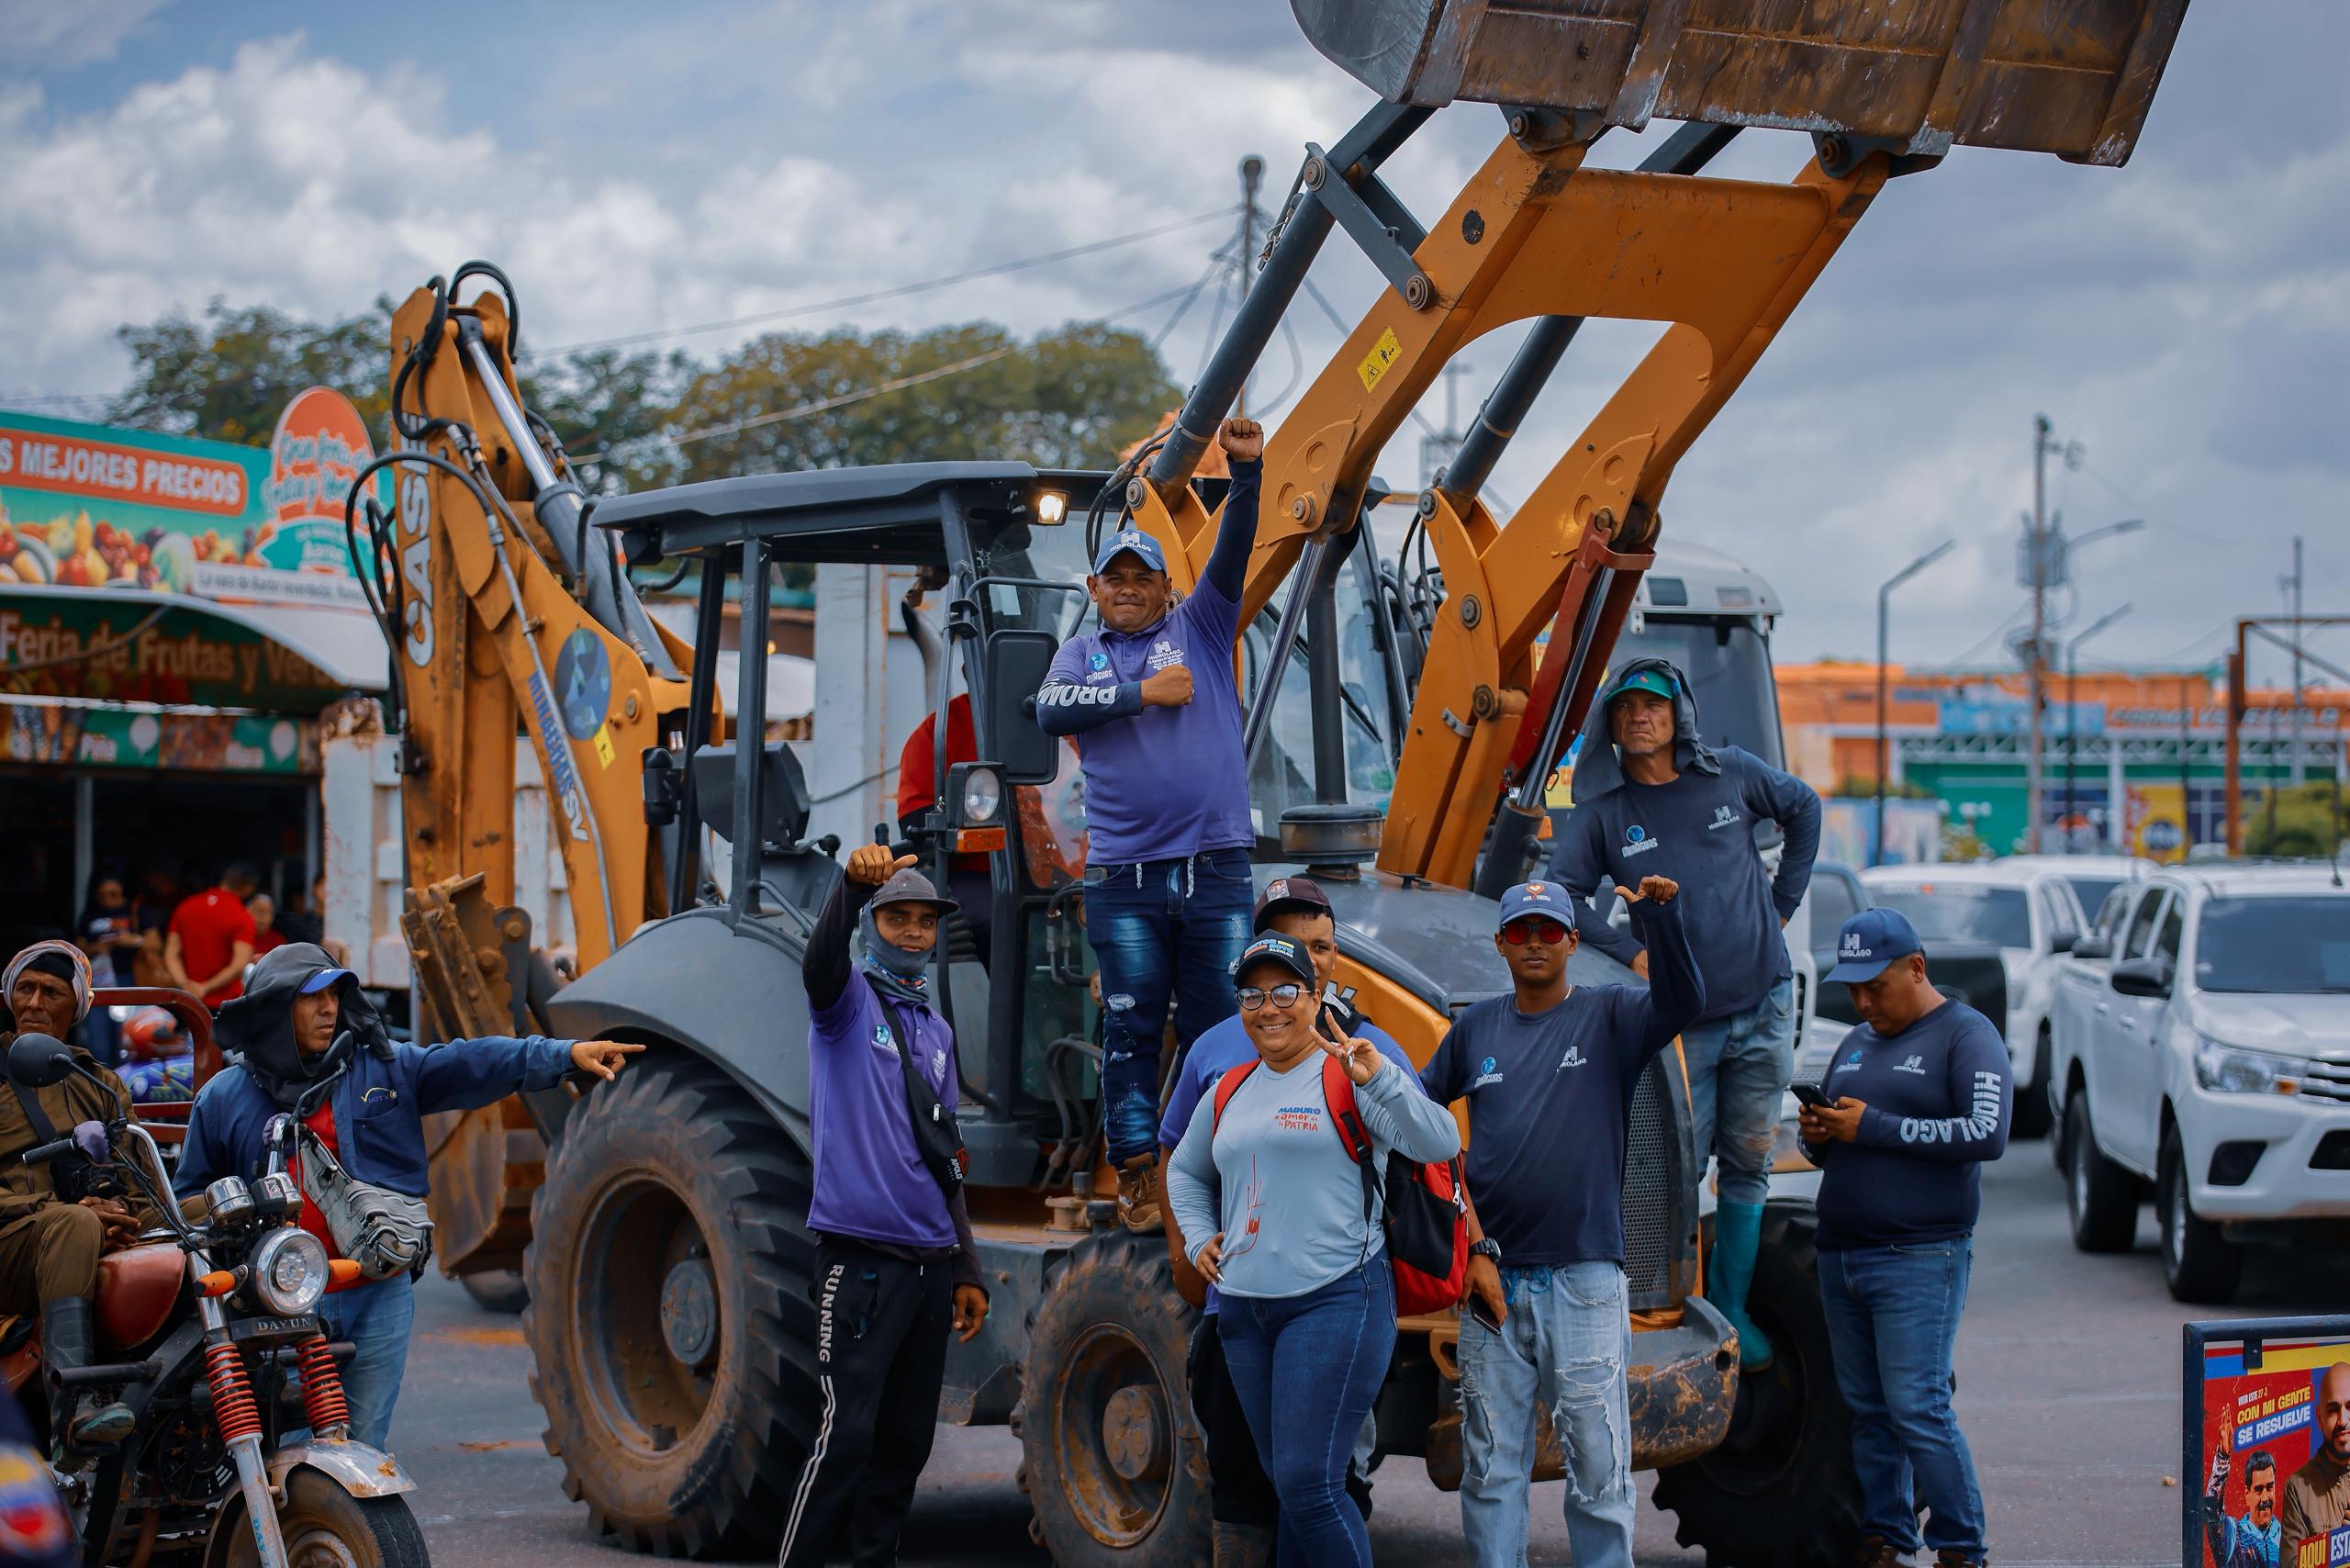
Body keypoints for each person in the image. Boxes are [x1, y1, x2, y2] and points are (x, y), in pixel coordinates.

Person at [174, 943, 640, 1449]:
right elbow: (189, 1204)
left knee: (364, 1446)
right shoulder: (222, 1098)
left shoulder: (382, 1068)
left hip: (379, 1292)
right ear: (273, 1008)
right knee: (290, 1455)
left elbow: (471, 1062)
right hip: (279, 1305)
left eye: (335, 995)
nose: (330, 1009)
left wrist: (565, 1054)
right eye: (312, 999)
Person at [1419, 877, 1703, 1568]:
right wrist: (1468, 1242)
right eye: (1522, 931)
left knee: (1600, 1468)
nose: (1536, 942)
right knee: (1490, 1469)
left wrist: (1660, 922)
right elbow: (1418, 1126)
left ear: (1574, 941)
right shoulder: (1475, 1029)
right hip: (1492, 1286)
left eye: (1550, 930)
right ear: (1501, 944)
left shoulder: (1611, 1017)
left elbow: (1685, 1001)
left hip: (1585, 1280)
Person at [1549, 657, 1820, 1369]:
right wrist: (1622, 951)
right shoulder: (1604, 816)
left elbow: (1805, 807)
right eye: (1627, 706)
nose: (1640, 716)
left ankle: (1728, 1309)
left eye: (1655, 705)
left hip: (1764, 1002)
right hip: (1680, 1028)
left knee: (1751, 1161)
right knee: (1676, 1170)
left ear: (1680, 716)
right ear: (1611, 722)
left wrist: (1782, 905)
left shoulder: (1729, 772)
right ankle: (1680, 1312)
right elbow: (1562, 895)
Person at [1035, 415, 1266, 1231]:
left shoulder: (1201, 628)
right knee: (1132, 1025)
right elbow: (1048, 712)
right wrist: (1142, 694)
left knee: (1223, 1025)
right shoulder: (1081, 657)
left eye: (1144, 576)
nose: (1130, 586)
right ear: (1095, 589)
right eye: (1115, 577)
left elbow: (1237, 549)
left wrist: (1246, 475)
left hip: (1215, 868)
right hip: (1125, 879)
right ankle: (1135, 1171)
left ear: (1169, 586)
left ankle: (1215, 1165)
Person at [1165, 935, 1461, 1568]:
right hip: (1245, 1315)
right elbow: (1184, 1172)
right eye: (1252, 994)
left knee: (1309, 1484)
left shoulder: (1351, 1073)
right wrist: (1196, 1238)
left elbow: (1440, 1142)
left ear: (1316, 996)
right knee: (1293, 1488)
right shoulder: (1230, 1088)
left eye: (1284, 992)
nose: (1268, 1008)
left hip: (1334, 1302)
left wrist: (1379, 1076)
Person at [778, 846, 990, 1568]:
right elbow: (818, 966)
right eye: (895, 917)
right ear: (871, 925)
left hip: (930, 1265)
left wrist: (968, 1265)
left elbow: (947, 1157)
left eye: (923, 922)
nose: (910, 932)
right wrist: (846, 888)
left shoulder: (937, 1032)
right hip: (861, 1260)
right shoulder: (845, 1007)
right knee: (847, 1439)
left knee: (905, 1448)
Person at [1799, 908, 2009, 1568]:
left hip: (1919, 1255)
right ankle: (1887, 1536)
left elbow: (1986, 1134)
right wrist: (1819, 1136)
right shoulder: (1857, 1041)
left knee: (1918, 1407)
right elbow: (1841, 1143)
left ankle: (1961, 1547)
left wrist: (1875, 1127)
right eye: (1853, 989)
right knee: (1868, 1410)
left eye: (1876, 986)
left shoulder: (1965, 1035)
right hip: (1842, 1252)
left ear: (1916, 968)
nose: (1863, 1001)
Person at [0, 942, 163, 1450]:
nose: (34, 1004)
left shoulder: (101, 1081)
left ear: (77, 1006)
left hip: (95, 1231)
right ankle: (73, 1407)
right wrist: (71, 1212)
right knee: (75, 1225)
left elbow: (145, 1184)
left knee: (217, 1215)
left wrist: (123, 1213)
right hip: (15, 1241)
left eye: (51, 992)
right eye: (24, 989)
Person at [897, 689, 990, 966]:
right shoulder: (940, 731)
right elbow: (915, 822)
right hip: (976, 873)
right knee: (995, 917)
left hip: (1066, 869)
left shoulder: (1062, 722)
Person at [165, 862, 259, 1010]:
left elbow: (171, 954)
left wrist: (185, 985)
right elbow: (239, 965)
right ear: (247, 888)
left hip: (187, 1004)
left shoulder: (186, 906)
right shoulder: (242, 916)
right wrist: (203, 987)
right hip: (225, 1006)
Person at [2282, 1363, 2350, 1550]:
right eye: (2333, 1409)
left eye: (2349, 1407)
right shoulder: (2298, 1488)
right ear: (2320, 1418)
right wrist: (2339, 1544)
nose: (2343, 1420)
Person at [73, 875, 140, 1066]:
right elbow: (77, 949)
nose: (108, 899)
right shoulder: (89, 915)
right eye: (102, 895)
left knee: (125, 1037)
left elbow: (153, 942)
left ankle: (125, 1085)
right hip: (97, 980)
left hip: (127, 979)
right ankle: (100, 1085)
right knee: (98, 1039)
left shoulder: (132, 910)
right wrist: (98, 947)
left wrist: (131, 940)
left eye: (114, 894)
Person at [2202, 1436, 2280, 1568]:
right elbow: (2211, 1511)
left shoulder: (2286, 1535)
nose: (2265, 1498)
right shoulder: (2234, 1536)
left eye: (2270, 1487)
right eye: (2259, 1490)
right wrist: (2223, 1457)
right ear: (2247, 1494)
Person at [246, 892, 285, 957]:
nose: (264, 916)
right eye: (260, 911)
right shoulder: (239, 937)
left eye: (269, 912)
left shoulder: (278, 941)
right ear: (247, 911)